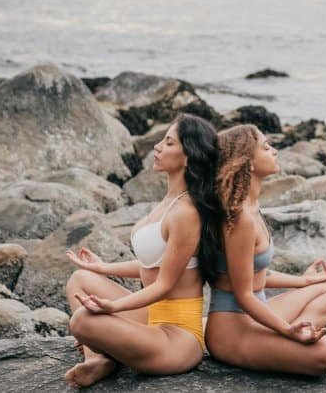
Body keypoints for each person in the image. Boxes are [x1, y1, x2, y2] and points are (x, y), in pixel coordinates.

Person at [63, 113, 219, 388]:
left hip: (177, 337)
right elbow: (154, 265)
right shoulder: (169, 202)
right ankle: (99, 359)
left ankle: (104, 351)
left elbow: (165, 283)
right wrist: (102, 268)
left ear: (188, 156)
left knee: (83, 322)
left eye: (168, 142)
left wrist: (113, 307)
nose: (157, 147)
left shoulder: (187, 212)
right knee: (80, 281)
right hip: (151, 317)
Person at [203, 124, 326, 377]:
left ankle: (299, 334)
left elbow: (258, 274)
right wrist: (285, 330)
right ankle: (293, 336)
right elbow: (244, 294)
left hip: (257, 313)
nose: (274, 151)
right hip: (232, 331)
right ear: (247, 163)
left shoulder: (251, 206)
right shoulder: (240, 219)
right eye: (266, 147)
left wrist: (304, 280)